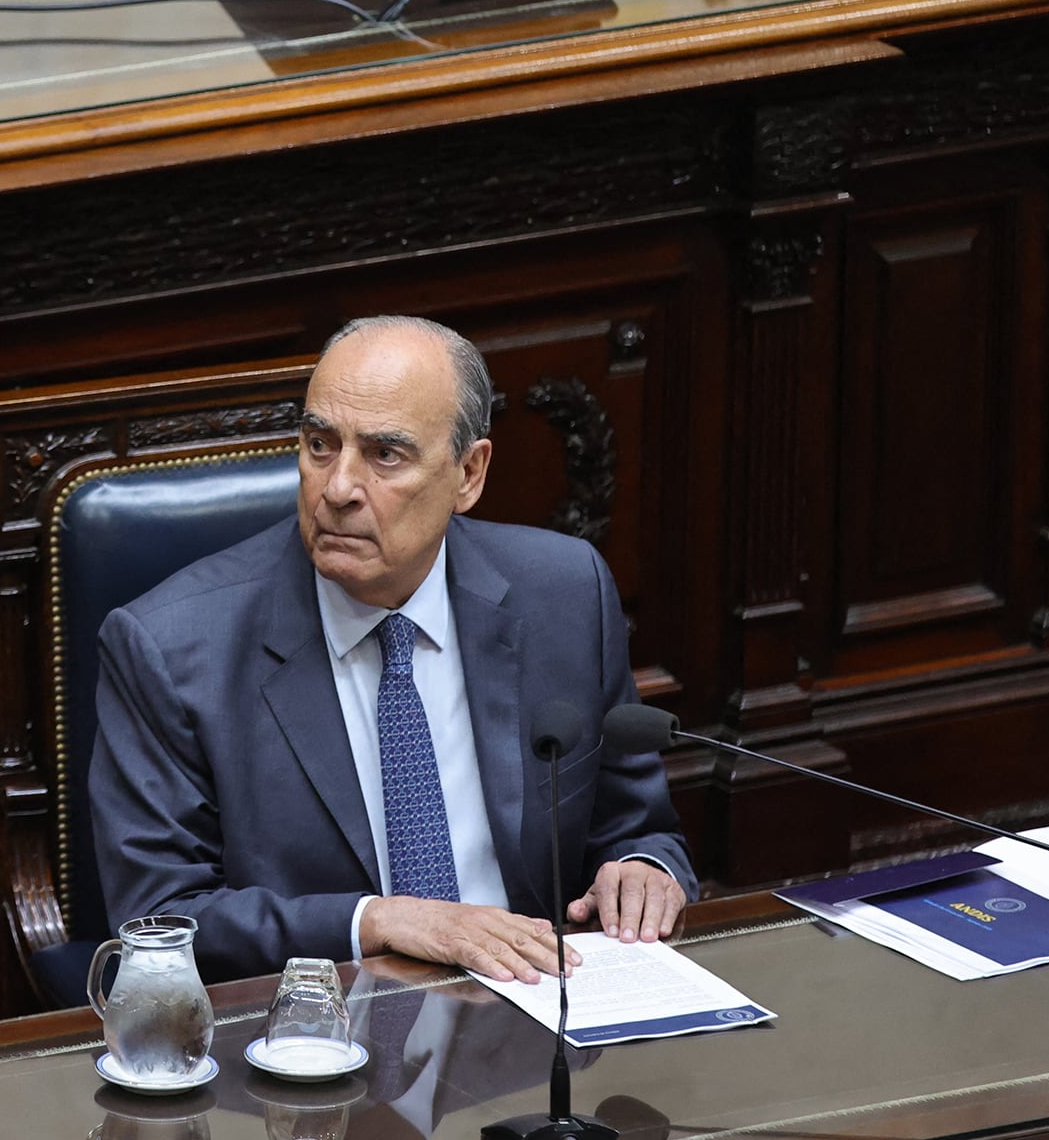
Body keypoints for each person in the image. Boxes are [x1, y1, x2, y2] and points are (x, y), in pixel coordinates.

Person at [88, 314, 695, 984]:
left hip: (535, 1017)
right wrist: (374, 921)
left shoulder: (564, 593)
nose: (339, 487)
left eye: (385, 454)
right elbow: (158, 920)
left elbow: (635, 825)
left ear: (469, 473)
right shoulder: (171, 647)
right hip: (312, 1038)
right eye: (320, 444)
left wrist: (645, 871)